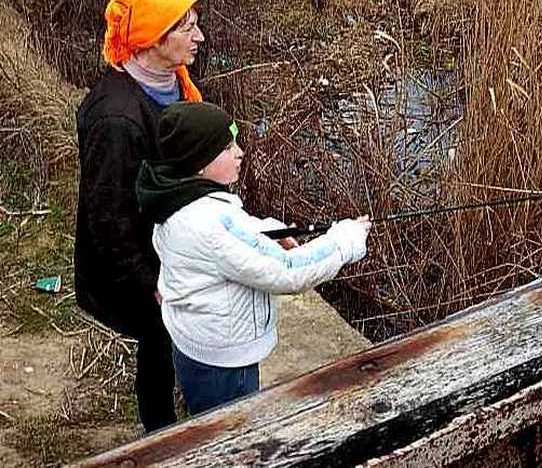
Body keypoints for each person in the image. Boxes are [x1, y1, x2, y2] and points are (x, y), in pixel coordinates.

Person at [138, 101, 371, 416]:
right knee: (230, 437)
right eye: (227, 146)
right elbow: (289, 270)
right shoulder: (208, 223)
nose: (240, 152)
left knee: (207, 422)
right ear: (198, 163)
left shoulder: (173, 197)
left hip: (196, 344)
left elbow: (230, 235)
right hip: (225, 364)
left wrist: (269, 231)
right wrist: (345, 240)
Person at [74, 0, 205, 432]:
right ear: (153, 37)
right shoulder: (116, 117)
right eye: (186, 27)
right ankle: (161, 435)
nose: (199, 37)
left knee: (172, 339)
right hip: (138, 268)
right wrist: (151, 282)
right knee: (159, 337)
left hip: (170, 247)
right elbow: (106, 217)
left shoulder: (173, 82)